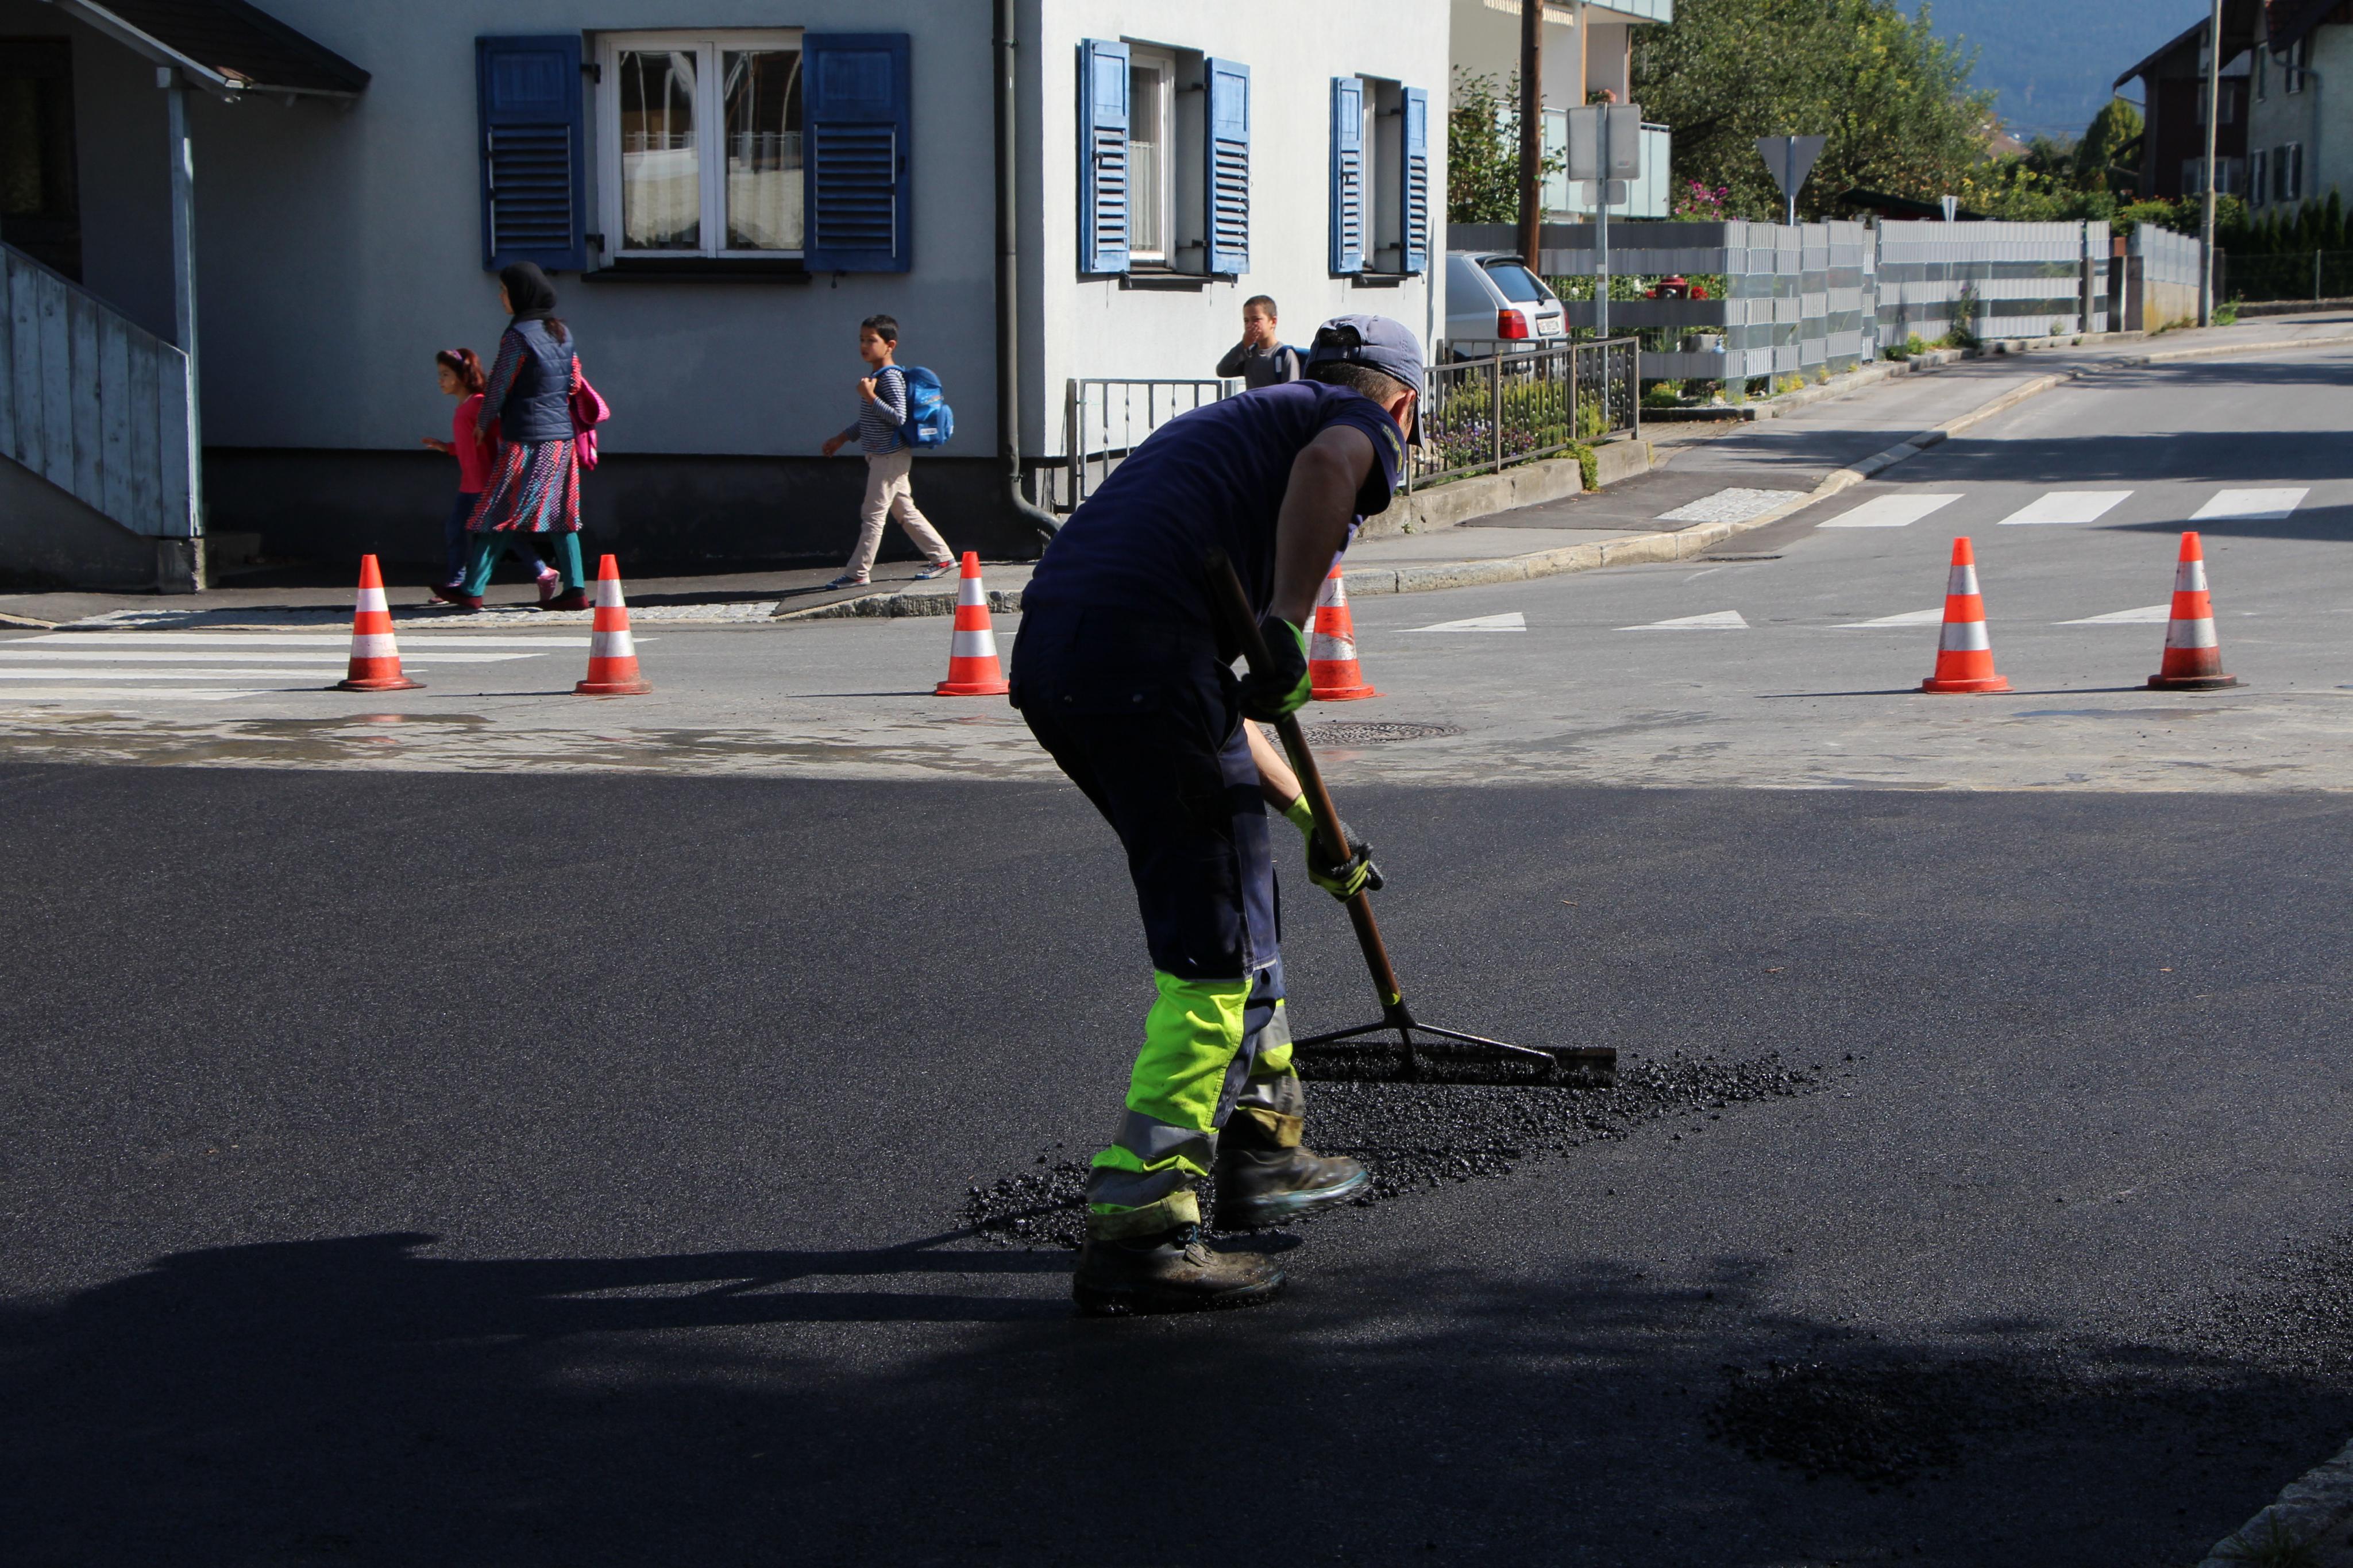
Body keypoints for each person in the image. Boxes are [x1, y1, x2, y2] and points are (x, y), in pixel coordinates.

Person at [1010, 315, 1420, 1316]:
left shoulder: (1242, 427)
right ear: (1403, 401)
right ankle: (1143, 1226)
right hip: (1144, 665)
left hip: (1067, 661)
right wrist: (1287, 623)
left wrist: (1314, 821)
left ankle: (1263, 1143)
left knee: (1242, 890)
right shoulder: (1350, 425)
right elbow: (1334, 464)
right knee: (1212, 958)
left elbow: (1221, 726)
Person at [433, 262, 592, 613]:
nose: (501, 297)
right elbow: (573, 382)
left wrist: (483, 421)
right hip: (560, 438)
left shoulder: (518, 336)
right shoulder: (561, 333)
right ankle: (576, 589)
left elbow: (500, 384)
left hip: (526, 438)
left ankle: (472, 589)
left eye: (505, 291)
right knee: (562, 514)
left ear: (522, 294)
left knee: (499, 509)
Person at [818, 314, 956, 590]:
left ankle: (858, 573)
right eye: (861, 339)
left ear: (890, 345)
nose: (864, 346)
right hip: (886, 456)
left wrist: (870, 397)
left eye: (871, 340)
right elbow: (870, 421)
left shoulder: (890, 378)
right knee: (905, 511)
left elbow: (898, 417)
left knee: (873, 515)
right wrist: (842, 438)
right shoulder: (875, 378)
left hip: (889, 457)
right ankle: (943, 558)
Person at [422, 349, 557, 605]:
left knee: (498, 533)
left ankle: (542, 571)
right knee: (461, 530)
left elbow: (502, 433)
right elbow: (471, 445)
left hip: (486, 483)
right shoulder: (465, 406)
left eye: (445, 374)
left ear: (462, 376)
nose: (440, 380)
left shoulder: (477, 404)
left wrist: (513, 468)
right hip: (470, 485)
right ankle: (456, 583)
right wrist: (446, 447)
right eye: (440, 374)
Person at [1216, 295, 1304, 389]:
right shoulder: (1249, 354)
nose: (1250, 325)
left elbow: (1291, 392)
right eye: (1246, 321)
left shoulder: (1284, 355)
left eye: (1256, 320)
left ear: (1273, 322)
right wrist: (1244, 345)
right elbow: (1222, 371)